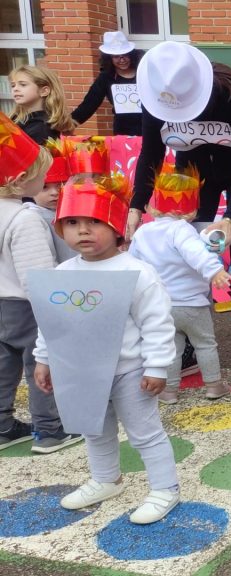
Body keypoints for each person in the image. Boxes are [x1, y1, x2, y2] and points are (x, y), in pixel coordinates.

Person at [34, 171, 180, 524]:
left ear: (116, 224)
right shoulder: (63, 273)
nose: (83, 230)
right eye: (73, 222)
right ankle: (105, 479)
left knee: (145, 433)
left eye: (94, 221)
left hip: (129, 372)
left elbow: (157, 323)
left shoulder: (138, 272)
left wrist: (156, 366)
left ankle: (165, 488)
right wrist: (44, 359)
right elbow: (52, 322)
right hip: (82, 372)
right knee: (93, 429)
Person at [129, 41, 231, 385]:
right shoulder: (155, 95)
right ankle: (191, 344)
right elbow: (151, 154)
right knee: (187, 254)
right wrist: (136, 205)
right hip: (194, 173)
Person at [0, 113, 82, 455]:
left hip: (1, 305)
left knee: (4, 365)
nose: (48, 183)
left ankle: (3, 425)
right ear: (21, 180)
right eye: (42, 177)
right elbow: (38, 276)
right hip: (26, 306)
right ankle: (50, 430)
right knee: (41, 363)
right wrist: (56, 311)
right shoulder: (26, 218)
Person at [128, 164, 231, 405]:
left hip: (162, 305)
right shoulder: (181, 230)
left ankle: (169, 390)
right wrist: (214, 271)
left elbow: (133, 265)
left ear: (152, 204)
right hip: (192, 304)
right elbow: (196, 253)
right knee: (205, 344)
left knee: (171, 347)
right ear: (191, 209)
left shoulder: (143, 232)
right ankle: (214, 385)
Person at [71, 31, 145, 136]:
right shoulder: (106, 78)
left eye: (125, 55)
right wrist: (67, 124)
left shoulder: (144, 71)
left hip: (149, 127)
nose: (122, 60)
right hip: (123, 131)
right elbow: (89, 104)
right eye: (116, 56)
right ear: (109, 58)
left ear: (131, 55)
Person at [25, 139, 77, 262]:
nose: (54, 192)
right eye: (45, 187)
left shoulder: (77, 212)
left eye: (60, 185)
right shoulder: (32, 217)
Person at [9, 65, 75, 145]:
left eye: (23, 85)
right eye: (13, 85)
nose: (15, 89)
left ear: (44, 91)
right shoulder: (15, 119)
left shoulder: (42, 128)